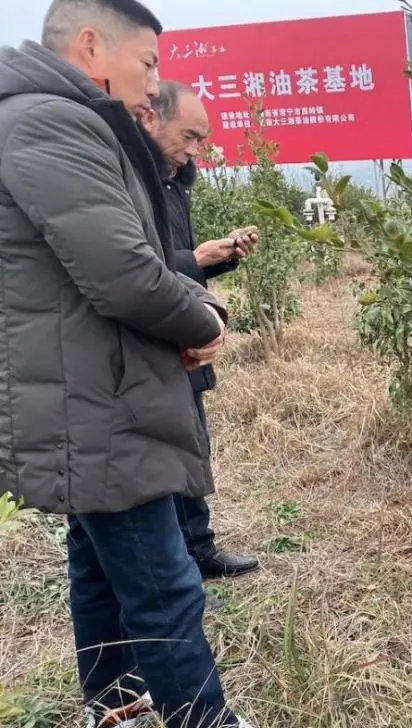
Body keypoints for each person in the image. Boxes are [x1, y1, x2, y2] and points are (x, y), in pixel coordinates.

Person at [0, 1, 285, 728]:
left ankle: (115, 705)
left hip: (86, 387)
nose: (154, 82)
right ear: (92, 45)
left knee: (99, 562)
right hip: (97, 396)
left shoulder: (52, 119)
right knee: (163, 582)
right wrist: (205, 322)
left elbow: (139, 258)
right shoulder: (50, 123)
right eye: (149, 61)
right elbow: (125, 273)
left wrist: (191, 296)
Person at [141, 81, 260, 582]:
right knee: (166, 456)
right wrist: (197, 258)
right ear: (151, 119)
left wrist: (218, 257)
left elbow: (175, 266)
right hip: (151, 343)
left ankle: (198, 548)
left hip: (181, 337)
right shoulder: (131, 183)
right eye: (188, 137)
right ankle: (178, 558)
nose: (195, 151)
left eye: (202, 141)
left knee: (192, 447)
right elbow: (138, 271)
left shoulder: (171, 184)